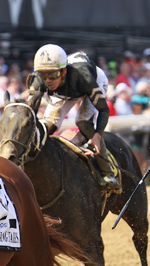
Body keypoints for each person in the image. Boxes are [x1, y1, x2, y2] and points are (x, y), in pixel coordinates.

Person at [28, 44, 119, 190]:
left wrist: (97, 136)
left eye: (53, 75)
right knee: (47, 125)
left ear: (63, 72)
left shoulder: (84, 77)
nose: (49, 81)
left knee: (83, 122)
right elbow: (30, 115)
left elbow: (103, 110)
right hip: (67, 89)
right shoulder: (38, 80)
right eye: (43, 76)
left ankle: (107, 172)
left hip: (89, 83)